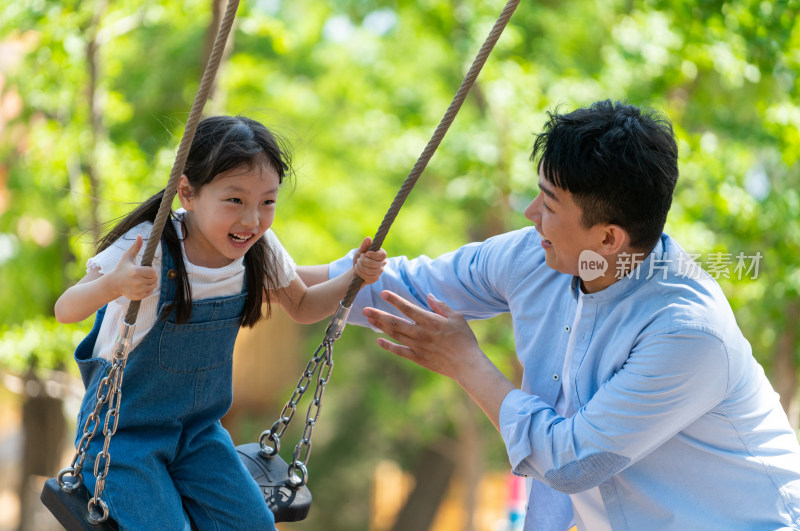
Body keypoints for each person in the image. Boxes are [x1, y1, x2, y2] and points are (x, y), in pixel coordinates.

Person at [304, 101, 800, 530]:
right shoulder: (536, 256)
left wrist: (466, 364)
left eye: (549, 204)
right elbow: (394, 286)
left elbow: (573, 462)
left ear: (608, 238)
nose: (529, 214)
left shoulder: (687, 331)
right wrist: (258, 273)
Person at [54, 115, 387, 530]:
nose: (252, 220)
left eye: (267, 202)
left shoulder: (260, 248)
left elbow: (302, 305)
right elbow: (66, 309)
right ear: (188, 192)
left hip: (198, 437)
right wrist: (115, 284)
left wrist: (354, 276)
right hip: (122, 440)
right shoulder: (149, 244)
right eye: (235, 201)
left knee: (255, 525)